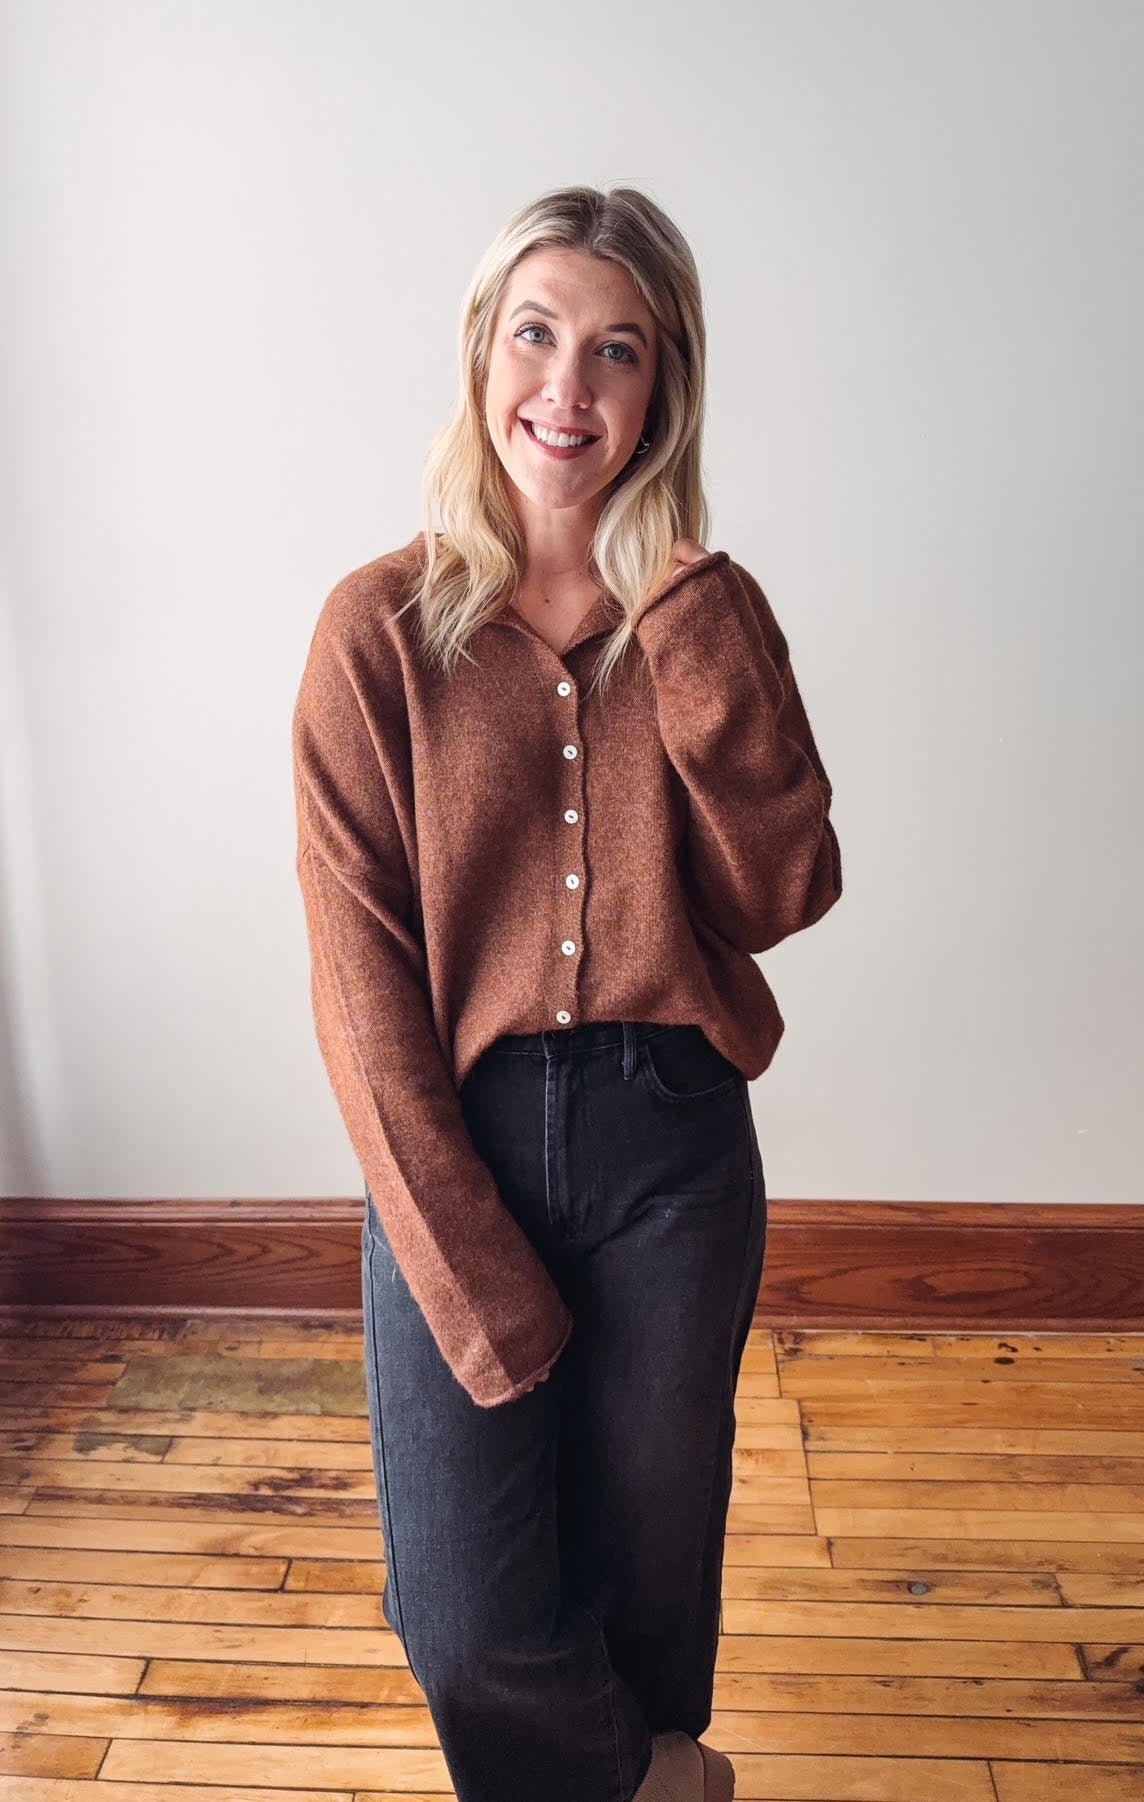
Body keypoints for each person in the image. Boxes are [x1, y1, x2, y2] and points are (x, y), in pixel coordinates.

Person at [292, 184, 842, 1802]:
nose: (571, 388)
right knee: (465, 1615)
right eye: (537, 334)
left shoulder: (704, 619)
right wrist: (466, 1261)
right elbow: (359, 989)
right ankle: (661, 1784)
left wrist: (682, 614)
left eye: (620, 351)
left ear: (663, 387)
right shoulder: (373, 634)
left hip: (673, 1141)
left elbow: (786, 888)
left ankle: (648, 1759)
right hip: (455, 1139)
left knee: (647, 1578)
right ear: (481, 356)